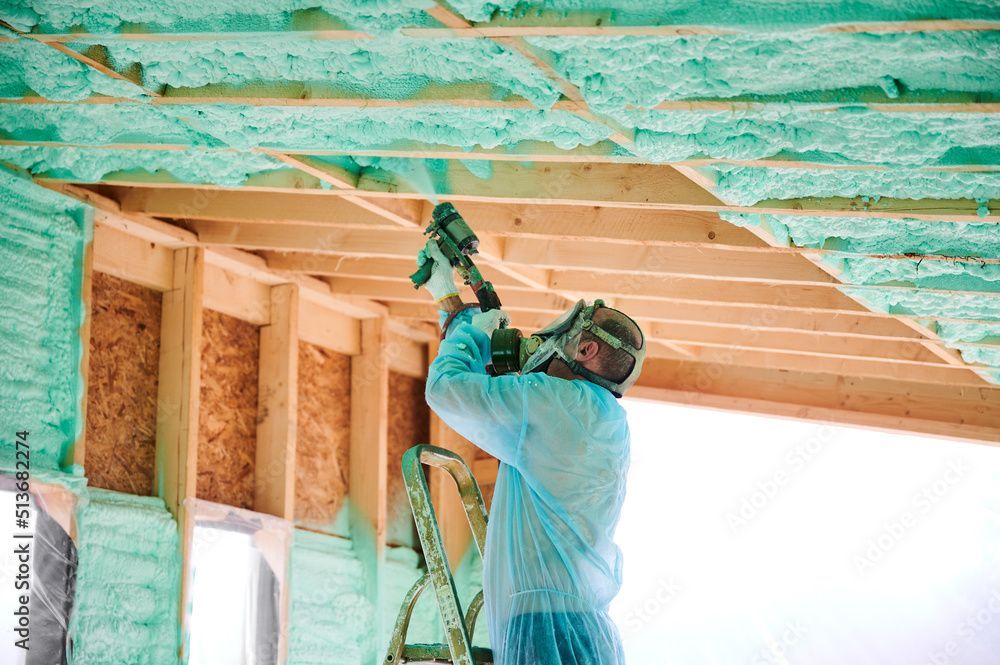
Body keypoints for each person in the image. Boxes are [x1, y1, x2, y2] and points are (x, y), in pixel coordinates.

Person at [417, 239, 645, 665]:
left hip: (542, 628)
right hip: (588, 628)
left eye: (572, 328)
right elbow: (504, 397)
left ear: (587, 349)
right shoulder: (604, 417)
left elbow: (448, 390)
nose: (552, 332)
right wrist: (450, 302)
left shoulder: (551, 400)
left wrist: (467, 329)